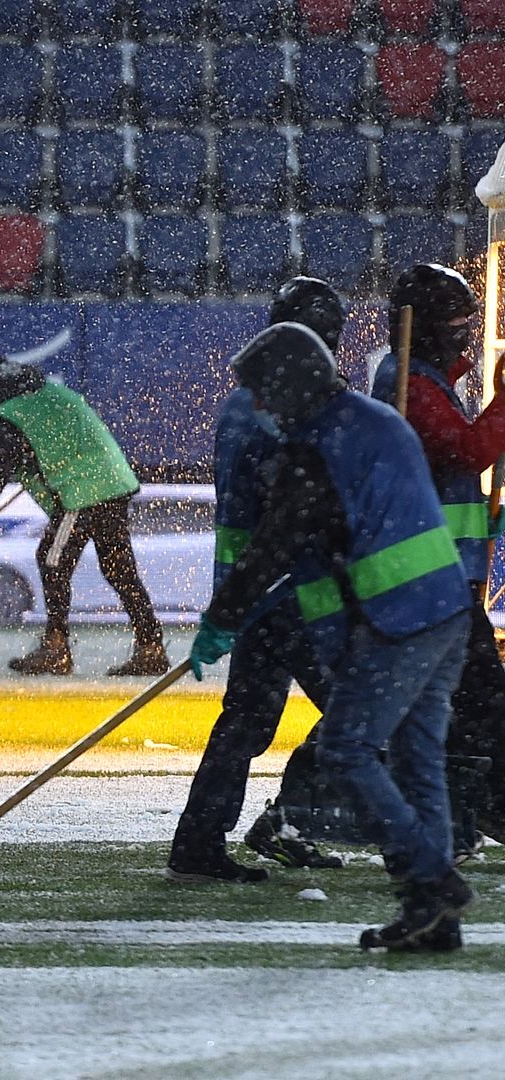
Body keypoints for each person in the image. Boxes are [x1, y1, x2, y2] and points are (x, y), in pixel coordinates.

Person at [193, 321, 475, 951]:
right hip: (446, 609)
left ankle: (432, 878)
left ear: (293, 385)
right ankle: (434, 920)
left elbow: (277, 543)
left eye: (265, 392)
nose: (259, 406)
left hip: (398, 618)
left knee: (348, 751)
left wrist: (221, 619)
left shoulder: (319, 446)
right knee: (416, 761)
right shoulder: (374, 421)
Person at [168, 278, 344, 883]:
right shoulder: (280, 408)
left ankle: (198, 841)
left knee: (245, 721)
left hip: (256, 591)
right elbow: (297, 511)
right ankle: (323, 824)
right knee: (359, 711)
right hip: (290, 592)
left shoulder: (249, 398)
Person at [365, 263, 505, 844]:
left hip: (440, 570)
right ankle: (481, 806)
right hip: (428, 574)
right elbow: (466, 450)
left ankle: (471, 808)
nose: (467, 332)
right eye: (457, 322)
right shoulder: (411, 387)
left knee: (426, 700)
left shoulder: (422, 378)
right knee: (481, 697)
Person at [0, 352, 168, 677]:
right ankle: (151, 646)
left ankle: (56, 648)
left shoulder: (13, 414)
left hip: (84, 492)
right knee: (119, 570)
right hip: (114, 481)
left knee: (51, 560)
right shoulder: (52, 394)